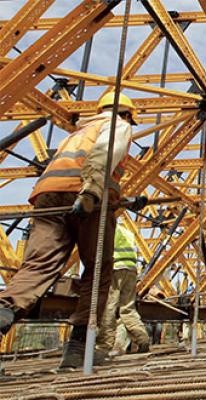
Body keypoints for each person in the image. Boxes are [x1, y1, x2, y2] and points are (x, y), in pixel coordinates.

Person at [0, 92, 138, 369]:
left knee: (37, 266)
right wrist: (90, 193)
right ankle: (77, 348)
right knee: (98, 270)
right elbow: (102, 156)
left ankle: (5, 310)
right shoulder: (118, 125)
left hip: (47, 197)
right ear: (126, 114)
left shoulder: (76, 133)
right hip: (87, 198)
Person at [97, 225, 150, 356]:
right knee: (128, 308)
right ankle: (142, 338)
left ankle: (104, 344)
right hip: (131, 269)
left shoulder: (109, 228)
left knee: (109, 307)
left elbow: (104, 250)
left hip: (117, 268)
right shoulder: (127, 231)